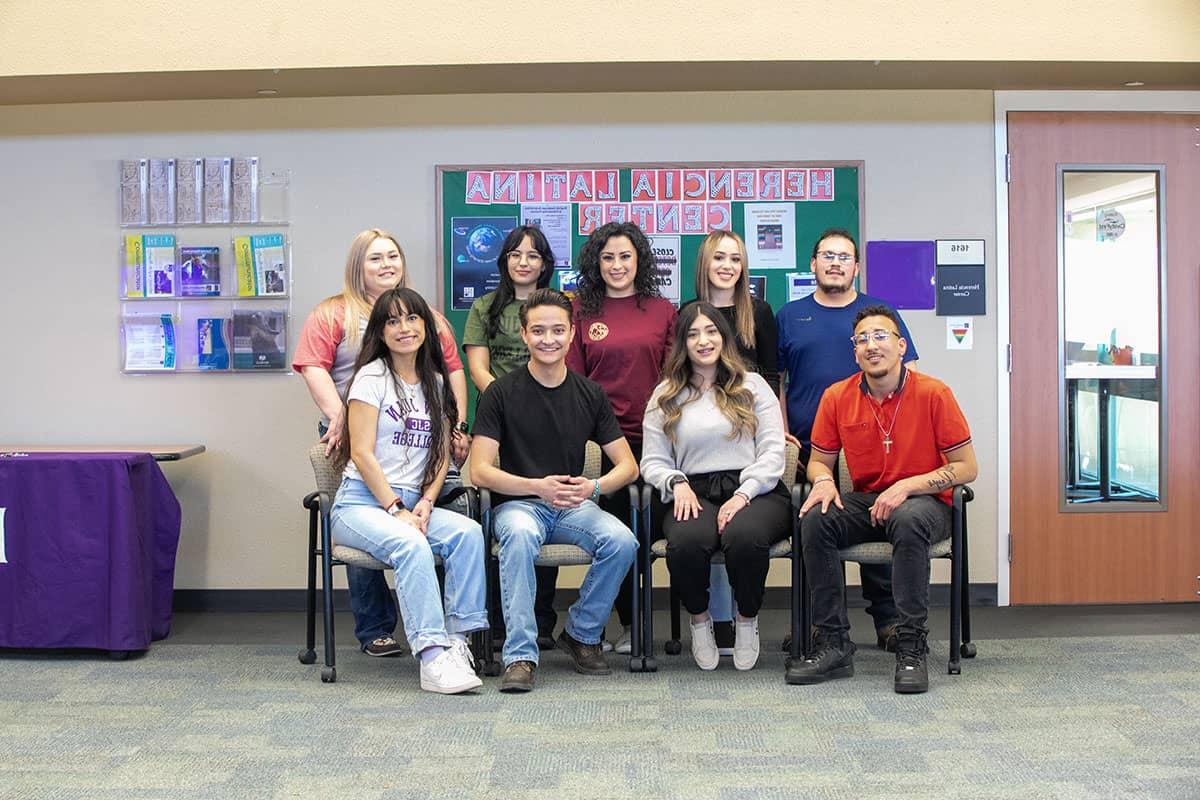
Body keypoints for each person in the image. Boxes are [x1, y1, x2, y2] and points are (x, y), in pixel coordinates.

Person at [293, 228, 471, 658]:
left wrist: (457, 427)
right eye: (375, 258)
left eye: (393, 256)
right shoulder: (332, 312)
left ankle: (453, 629)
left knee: (444, 521)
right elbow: (312, 366)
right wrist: (343, 419)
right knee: (368, 523)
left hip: (422, 436)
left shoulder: (421, 312)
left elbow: (452, 371)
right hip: (354, 433)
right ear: (358, 267)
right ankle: (375, 628)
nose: (386, 264)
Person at [786, 305, 976, 693]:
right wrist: (822, 480)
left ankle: (911, 646)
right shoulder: (837, 396)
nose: (872, 345)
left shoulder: (935, 393)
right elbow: (819, 462)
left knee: (908, 520)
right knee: (816, 518)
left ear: (901, 345)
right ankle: (834, 642)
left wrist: (908, 486)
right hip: (869, 499)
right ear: (854, 352)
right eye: (862, 340)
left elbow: (966, 468)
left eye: (881, 336)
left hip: (927, 502)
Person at [471, 288, 639, 693]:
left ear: (571, 333)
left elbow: (628, 467)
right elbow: (479, 471)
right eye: (539, 331)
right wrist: (535, 487)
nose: (549, 339)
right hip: (519, 505)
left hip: (570, 506)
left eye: (558, 330)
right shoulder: (500, 393)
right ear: (525, 336)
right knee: (520, 536)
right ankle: (521, 656)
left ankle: (582, 633)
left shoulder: (590, 393)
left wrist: (593, 486)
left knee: (622, 540)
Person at [329, 287, 487, 694]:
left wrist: (428, 503)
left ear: (425, 326)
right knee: (412, 545)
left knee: (468, 534)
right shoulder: (370, 377)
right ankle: (432, 655)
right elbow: (362, 454)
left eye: (412, 319)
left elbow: (440, 456)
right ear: (380, 333)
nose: (404, 328)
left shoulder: (436, 382)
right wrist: (397, 508)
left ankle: (457, 643)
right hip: (362, 503)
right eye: (393, 321)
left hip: (415, 503)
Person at [776, 227, 919, 652]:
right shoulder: (789, 315)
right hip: (810, 448)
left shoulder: (879, 314)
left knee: (877, 521)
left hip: (875, 446)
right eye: (827, 255)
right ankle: (820, 625)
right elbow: (779, 380)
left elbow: (906, 376)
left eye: (844, 256)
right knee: (814, 531)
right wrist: (783, 431)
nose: (835, 263)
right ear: (814, 264)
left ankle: (889, 621)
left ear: (855, 267)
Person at [641, 303, 790, 671]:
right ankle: (700, 619)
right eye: (693, 334)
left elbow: (774, 452)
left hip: (755, 488)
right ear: (682, 343)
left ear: (724, 337)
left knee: (745, 537)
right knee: (687, 543)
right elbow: (652, 461)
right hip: (692, 489)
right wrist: (677, 483)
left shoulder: (752, 385)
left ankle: (745, 619)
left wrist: (743, 495)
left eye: (711, 331)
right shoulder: (666, 394)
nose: (703, 341)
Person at [567, 221, 675, 653]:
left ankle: (651, 624)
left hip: (655, 441)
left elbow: (674, 378)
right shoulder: (581, 311)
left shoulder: (663, 310)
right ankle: (629, 626)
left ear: (640, 260)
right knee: (618, 534)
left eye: (625, 256)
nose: (616, 265)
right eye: (607, 257)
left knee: (649, 534)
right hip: (601, 446)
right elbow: (572, 379)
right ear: (596, 262)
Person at [680, 229, 780, 653]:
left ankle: (741, 620)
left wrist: (780, 428)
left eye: (735, 259)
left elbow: (774, 378)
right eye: (719, 257)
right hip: (703, 441)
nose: (727, 266)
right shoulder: (686, 312)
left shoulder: (757, 311)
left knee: (741, 531)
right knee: (702, 531)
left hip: (750, 431)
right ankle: (717, 621)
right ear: (704, 263)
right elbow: (677, 378)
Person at [463, 224, 559, 649]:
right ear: (504, 261)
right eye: (516, 254)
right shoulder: (484, 307)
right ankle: (501, 621)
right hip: (499, 420)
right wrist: (511, 404)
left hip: (549, 419)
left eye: (533, 255)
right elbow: (478, 369)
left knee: (547, 505)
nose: (524, 262)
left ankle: (542, 620)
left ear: (545, 264)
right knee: (504, 516)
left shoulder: (559, 308)